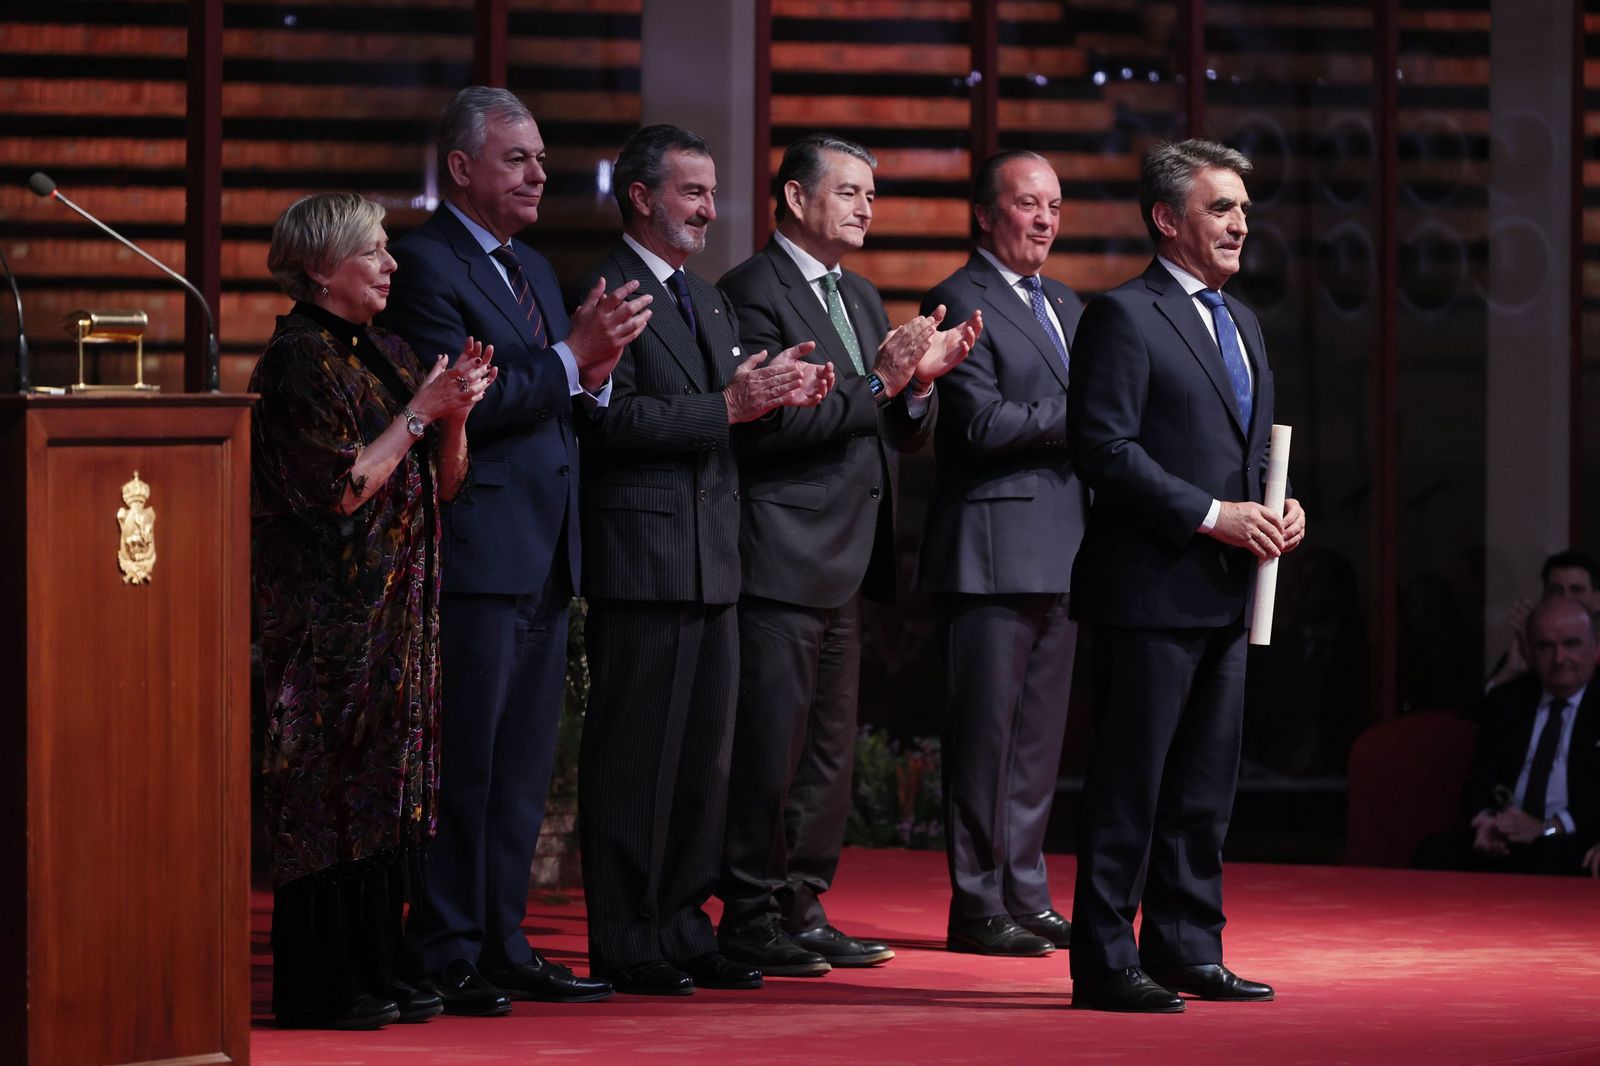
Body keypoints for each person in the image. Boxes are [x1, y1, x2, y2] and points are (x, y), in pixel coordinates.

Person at [379, 86, 648, 1015]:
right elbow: (467, 398)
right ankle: (445, 944)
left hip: (546, 547)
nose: (539, 174)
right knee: (468, 765)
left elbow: (560, 390)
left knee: (523, 769)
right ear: (461, 168)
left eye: (540, 159)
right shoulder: (423, 264)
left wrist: (596, 372)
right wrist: (573, 359)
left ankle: (503, 940)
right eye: (517, 159)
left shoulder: (530, 263)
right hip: (477, 548)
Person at [714, 132, 979, 976]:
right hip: (780, 553)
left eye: (872, 192)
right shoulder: (750, 292)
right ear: (796, 198)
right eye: (849, 191)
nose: (867, 206)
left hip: (848, 555)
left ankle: (803, 902)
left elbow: (895, 428)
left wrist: (921, 383)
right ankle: (749, 912)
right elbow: (771, 426)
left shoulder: (859, 294)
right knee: (770, 746)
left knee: (828, 751)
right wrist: (884, 383)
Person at [577, 124, 833, 996]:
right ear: (640, 196)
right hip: (644, 558)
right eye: (692, 192)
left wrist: (780, 393)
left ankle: (685, 927)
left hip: (715, 558)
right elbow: (607, 421)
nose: (709, 210)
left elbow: (731, 413)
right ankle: (626, 937)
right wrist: (729, 406)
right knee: (634, 764)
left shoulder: (708, 300)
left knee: (702, 765)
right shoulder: (608, 292)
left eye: (713, 193)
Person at [1066, 139, 1306, 1013]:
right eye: (1221, 208)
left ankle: (1187, 946)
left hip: (1227, 592)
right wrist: (1213, 514)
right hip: (1147, 592)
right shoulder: (1123, 316)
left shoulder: (1243, 321)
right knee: (1130, 786)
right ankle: (1104, 960)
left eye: (1243, 209)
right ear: (1167, 219)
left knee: (1204, 789)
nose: (1240, 224)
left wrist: (1279, 508)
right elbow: (1103, 448)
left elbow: (1250, 455)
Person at [252, 191, 495, 1029]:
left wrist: (455, 418)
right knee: (329, 800)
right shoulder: (296, 362)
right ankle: (322, 985)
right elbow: (340, 489)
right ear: (322, 269)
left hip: (399, 622)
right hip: (328, 630)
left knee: (391, 798)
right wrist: (421, 412)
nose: (392, 265)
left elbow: (445, 483)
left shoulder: (388, 351)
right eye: (373, 252)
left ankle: (379, 966)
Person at [918, 150, 1085, 958]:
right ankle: (977, 903)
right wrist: (1079, 412)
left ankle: (1026, 889)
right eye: (1028, 203)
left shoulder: (1068, 302)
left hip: (1066, 546)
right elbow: (978, 424)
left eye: (1054, 205)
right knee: (983, 740)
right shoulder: (958, 297)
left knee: (1038, 744)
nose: (1045, 219)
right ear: (986, 215)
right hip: (989, 549)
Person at [1417, 597, 1600, 874]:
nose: (1559, 658)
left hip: (1568, 838)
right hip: (1506, 834)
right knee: (1435, 851)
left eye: (1571, 644)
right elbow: (1478, 783)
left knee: (1552, 856)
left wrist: (1545, 829)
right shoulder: (1507, 701)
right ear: (1530, 651)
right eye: (1545, 646)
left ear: (1596, 647)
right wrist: (1486, 821)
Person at [1483, 550, 1600, 693]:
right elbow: (1486, 705)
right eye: (1556, 590)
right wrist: (1511, 670)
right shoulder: (1528, 644)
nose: (1566, 598)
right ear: (1544, 598)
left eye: (1576, 590)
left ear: (1597, 600)